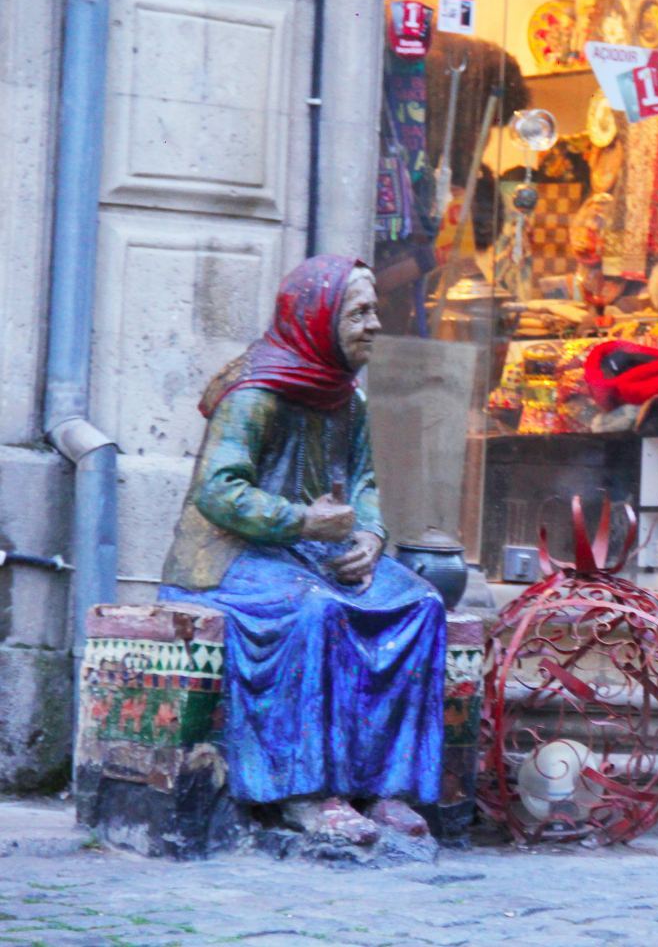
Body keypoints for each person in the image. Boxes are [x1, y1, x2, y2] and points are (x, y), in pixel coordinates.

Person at [160, 255, 446, 844]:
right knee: (317, 611)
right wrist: (299, 521)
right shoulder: (255, 395)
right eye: (359, 312)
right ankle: (304, 791)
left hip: (309, 554)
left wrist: (369, 537)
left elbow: (363, 481)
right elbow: (217, 491)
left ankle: (385, 786)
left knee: (419, 604)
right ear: (318, 319)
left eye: (376, 312)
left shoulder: (349, 399)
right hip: (229, 560)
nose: (373, 325)